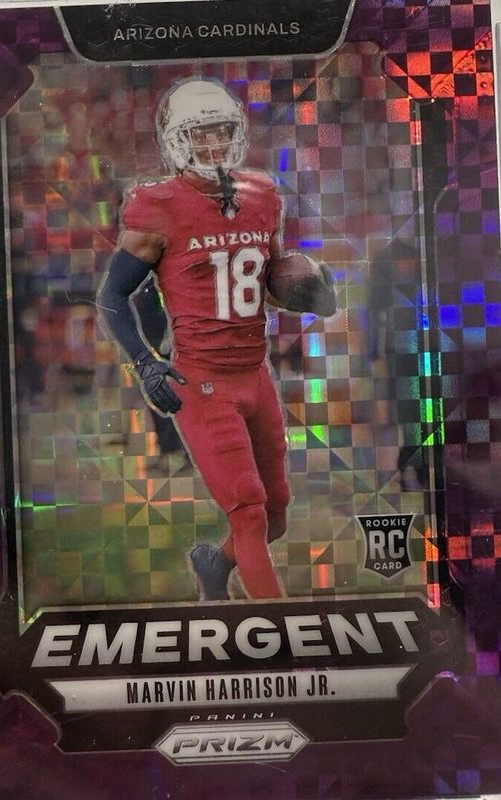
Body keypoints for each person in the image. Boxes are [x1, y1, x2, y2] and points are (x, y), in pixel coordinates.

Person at [99, 78, 336, 600]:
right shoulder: (158, 206)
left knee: (276, 516)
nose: (213, 144)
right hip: (202, 381)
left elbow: (265, 280)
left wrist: (306, 293)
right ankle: (279, 631)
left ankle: (214, 563)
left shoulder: (261, 194)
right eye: (200, 134)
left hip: (256, 374)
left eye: (221, 132)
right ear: (177, 142)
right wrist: (146, 361)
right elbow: (111, 296)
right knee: (248, 511)